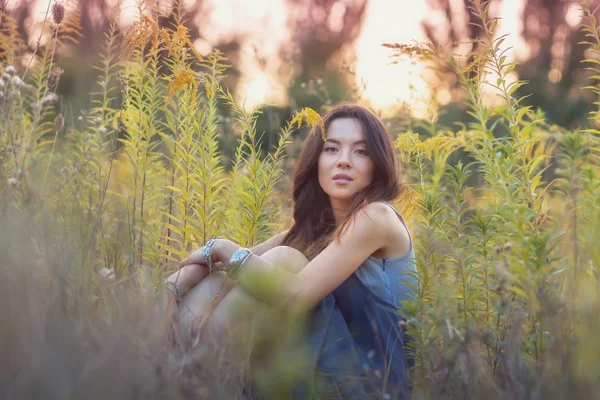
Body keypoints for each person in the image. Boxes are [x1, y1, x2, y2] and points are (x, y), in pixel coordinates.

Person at [163, 103, 418, 398]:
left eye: (361, 152)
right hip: (316, 371)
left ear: (377, 165)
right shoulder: (315, 231)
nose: (344, 161)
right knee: (246, 270)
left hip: (370, 385)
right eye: (332, 149)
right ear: (316, 160)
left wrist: (221, 246)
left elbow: (295, 295)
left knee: (282, 261)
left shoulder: (378, 217)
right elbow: (226, 267)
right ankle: (190, 368)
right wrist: (175, 283)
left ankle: (193, 372)